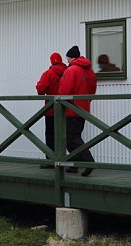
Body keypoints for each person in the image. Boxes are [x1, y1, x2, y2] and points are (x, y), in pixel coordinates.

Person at [58, 45, 97, 176]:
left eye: (68, 58)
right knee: (75, 136)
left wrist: (64, 103)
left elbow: (64, 91)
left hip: (72, 109)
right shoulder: (90, 71)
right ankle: (75, 165)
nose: (67, 60)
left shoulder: (71, 70)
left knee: (71, 138)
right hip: (84, 108)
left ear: (72, 57)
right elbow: (92, 90)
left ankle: (88, 162)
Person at [35, 52, 67, 168]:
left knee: (50, 135)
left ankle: (51, 161)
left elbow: (40, 90)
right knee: (65, 136)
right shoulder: (67, 71)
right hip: (66, 110)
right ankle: (65, 160)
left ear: (51, 61)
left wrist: (38, 84)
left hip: (51, 110)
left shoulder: (48, 73)